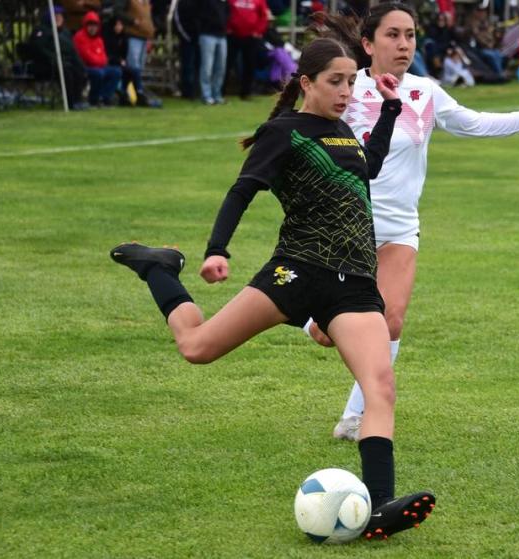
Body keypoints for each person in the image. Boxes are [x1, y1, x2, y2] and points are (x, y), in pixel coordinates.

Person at [108, 37, 434, 541]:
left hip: (354, 283)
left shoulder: (343, 131)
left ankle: (379, 506)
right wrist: (218, 249)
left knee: (381, 388)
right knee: (197, 347)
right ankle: (158, 269)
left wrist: (389, 110)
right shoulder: (283, 132)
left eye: (352, 82)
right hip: (297, 271)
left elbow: (367, 165)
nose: (347, 91)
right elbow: (243, 190)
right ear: (307, 83)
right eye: (336, 82)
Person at [310, 3, 519, 442]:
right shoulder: (346, 89)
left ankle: (356, 415)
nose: (403, 45)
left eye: (411, 35)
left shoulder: (425, 92)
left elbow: (476, 124)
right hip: (344, 224)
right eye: (392, 35)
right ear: (367, 44)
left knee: (390, 320)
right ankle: (300, 313)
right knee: (326, 334)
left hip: (399, 228)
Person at [73, 11, 122, 107]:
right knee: (98, 73)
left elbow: (104, 57)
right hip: (84, 67)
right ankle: (94, 98)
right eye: (90, 25)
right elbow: (87, 57)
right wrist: (99, 61)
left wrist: (99, 61)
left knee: (116, 72)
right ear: (85, 25)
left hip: (98, 67)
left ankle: (104, 97)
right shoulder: (80, 37)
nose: (93, 28)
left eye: (95, 25)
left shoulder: (98, 39)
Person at [226, 0, 270, 100]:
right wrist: (228, 27)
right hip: (233, 35)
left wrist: (258, 31)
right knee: (228, 63)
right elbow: (226, 11)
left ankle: (246, 92)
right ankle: (222, 90)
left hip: (251, 37)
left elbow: (263, 16)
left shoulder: (259, 1)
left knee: (249, 64)